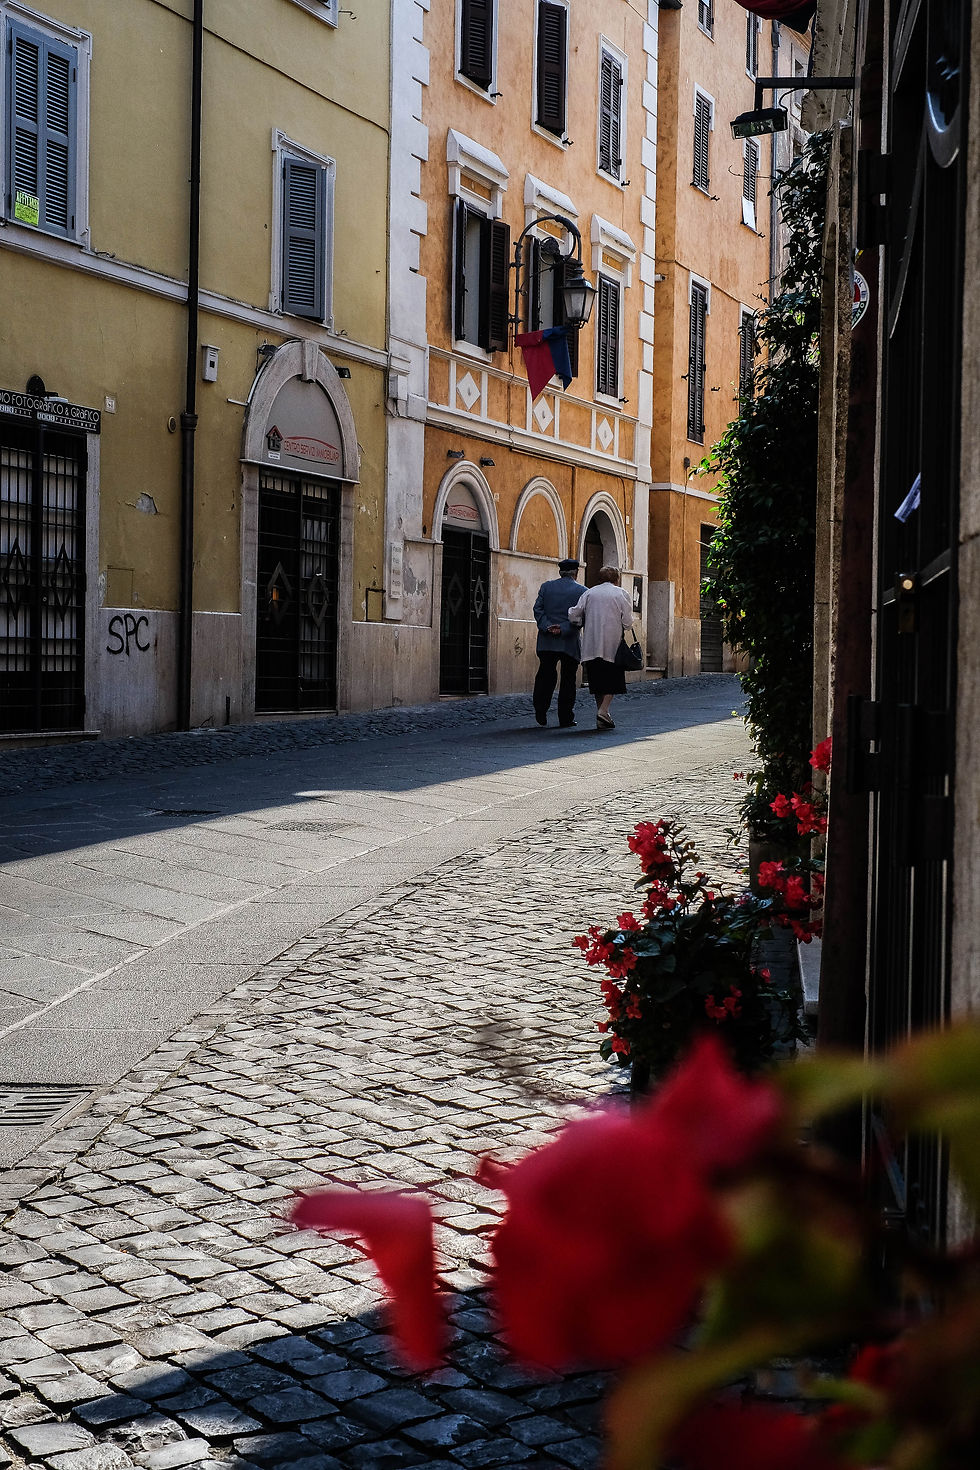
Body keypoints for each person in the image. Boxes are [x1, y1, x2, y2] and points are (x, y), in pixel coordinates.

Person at [568, 566, 634, 730]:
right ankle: (603, 711)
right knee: (613, 680)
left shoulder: (589, 593)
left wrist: (583, 621)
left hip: (591, 644)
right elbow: (627, 623)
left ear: (599, 578)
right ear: (616, 579)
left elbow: (574, 615)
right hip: (612, 645)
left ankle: (603, 715)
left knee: (597, 681)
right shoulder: (621, 593)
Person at [532, 557, 583, 728]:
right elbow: (581, 617)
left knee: (545, 675)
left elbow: (537, 609)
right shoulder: (582, 591)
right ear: (576, 573)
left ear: (560, 572)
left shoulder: (546, 587)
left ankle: (540, 710)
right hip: (569, 641)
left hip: (547, 640)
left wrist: (547, 626)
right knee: (568, 679)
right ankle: (565, 717)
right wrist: (564, 628)